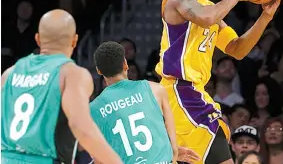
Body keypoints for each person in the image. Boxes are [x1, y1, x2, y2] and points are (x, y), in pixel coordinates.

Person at [155, 0, 283, 164]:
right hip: (179, 92)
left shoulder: (211, 9)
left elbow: (237, 49)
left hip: (194, 93)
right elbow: (207, 18)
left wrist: (265, 17)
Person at [1, 9, 123, 164]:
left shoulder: (9, 74)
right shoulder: (71, 74)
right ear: (74, 40)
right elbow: (81, 128)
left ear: (38, 39)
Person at [90, 41, 200, 164]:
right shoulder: (156, 90)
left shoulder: (93, 109)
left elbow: (100, 157)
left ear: (99, 71)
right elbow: (173, 148)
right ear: (125, 64)